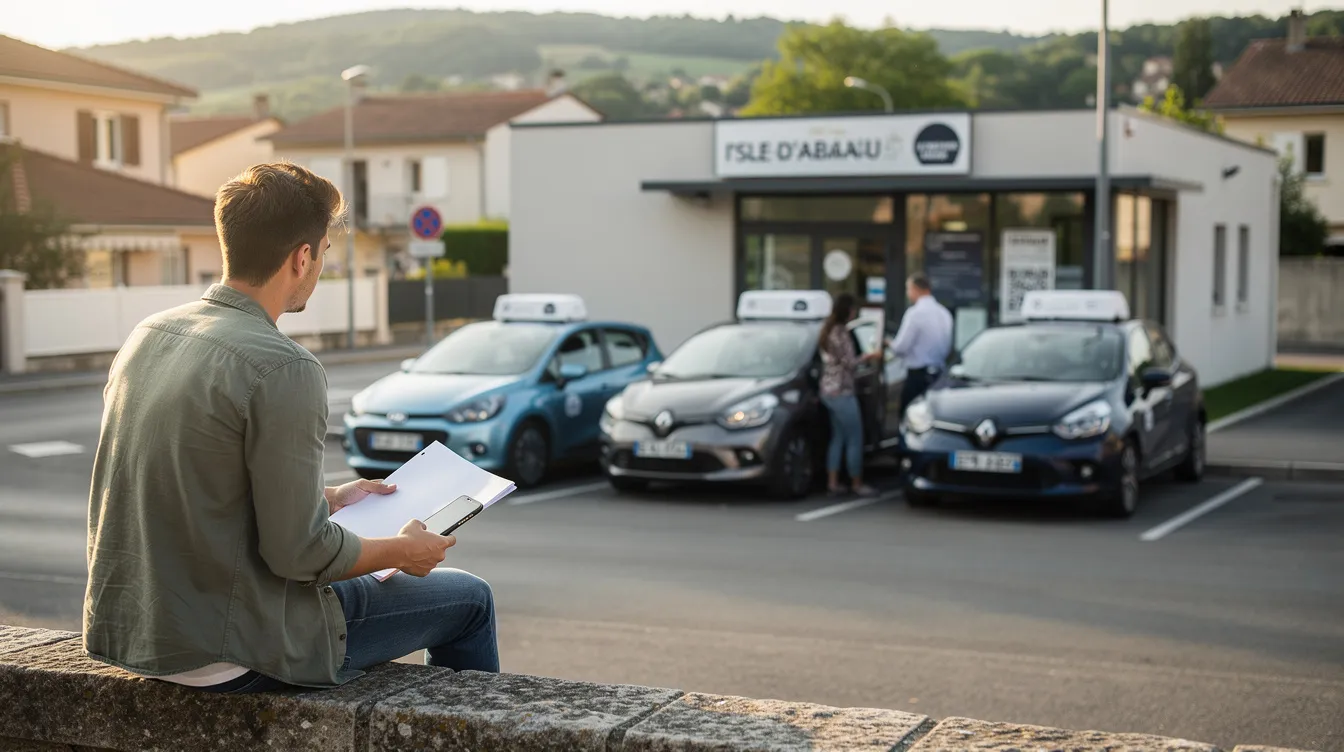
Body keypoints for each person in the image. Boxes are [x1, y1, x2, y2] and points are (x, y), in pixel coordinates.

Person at [83, 162, 499, 694]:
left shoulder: (150, 333)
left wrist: (326, 497)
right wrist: (399, 551)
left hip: (136, 632)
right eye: (325, 252)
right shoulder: (285, 368)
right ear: (302, 257)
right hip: (229, 650)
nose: (321, 265)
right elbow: (299, 554)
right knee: (470, 599)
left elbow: (197, 486)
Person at [817, 292, 881, 498]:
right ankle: (856, 483)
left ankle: (832, 482)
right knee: (855, 437)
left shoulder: (827, 331)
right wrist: (869, 356)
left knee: (838, 437)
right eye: (853, 308)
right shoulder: (841, 333)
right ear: (847, 310)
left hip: (827, 390)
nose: (855, 312)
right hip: (842, 391)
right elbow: (850, 363)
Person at [890, 273, 954, 418]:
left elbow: (900, 348)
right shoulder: (944, 313)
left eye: (908, 289)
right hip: (938, 374)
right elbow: (947, 346)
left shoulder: (914, 313)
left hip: (917, 376)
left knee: (909, 418)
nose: (907, 293)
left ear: (915, 289)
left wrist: (889, 344)